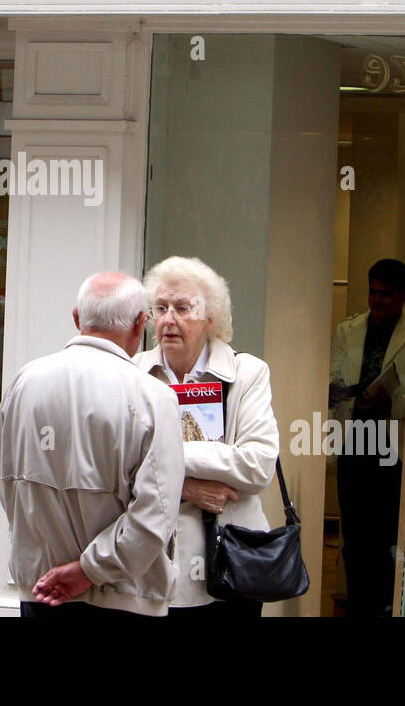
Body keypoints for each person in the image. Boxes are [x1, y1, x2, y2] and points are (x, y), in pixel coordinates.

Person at [0, 272, 184, 617]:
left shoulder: (25, 381)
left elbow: (2, 472)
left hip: (41, 592)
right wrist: (88, 571)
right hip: (124, 599)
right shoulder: (154, 397)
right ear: (141, 324)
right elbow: (157, 514)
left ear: (77, 318)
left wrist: (53, 550)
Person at [135, 256, 279, 618]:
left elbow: (258, 466)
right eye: (161, 308)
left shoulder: (247, 373)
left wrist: (165, 459)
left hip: (231, 568)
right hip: (150, 571)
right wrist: (185, 487)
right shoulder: (132, 373)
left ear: (210, 319)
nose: (168, 319)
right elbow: (113, 470)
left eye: (183, 308)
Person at [328, 258, 405, 617]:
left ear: (404, 296)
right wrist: (334, 389)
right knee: (355, 535)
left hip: (392, 446)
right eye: (373, 293)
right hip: (354, 441)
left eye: (386, 294)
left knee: (386, 536)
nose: (377, 301)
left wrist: (390, 396)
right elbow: (332, 373)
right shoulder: (347, 330)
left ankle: (385, 604)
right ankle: (360, 604)